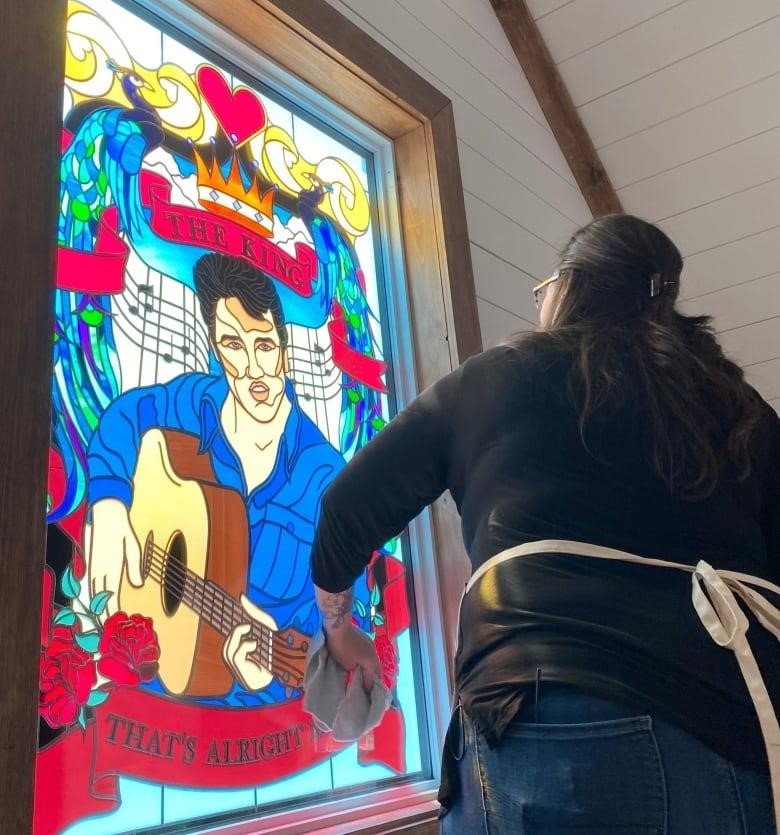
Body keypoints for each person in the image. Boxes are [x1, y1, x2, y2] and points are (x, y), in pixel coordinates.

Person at [310, 214, 780, 833]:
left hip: (550, 711)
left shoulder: (502, 376)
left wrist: (341, 629)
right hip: (740, 728)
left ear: (569, 286)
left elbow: (347, 507)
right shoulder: (736, 403)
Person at [87, 251, 344, 704]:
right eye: (232, 345)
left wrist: (269, 675)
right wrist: (108, 505)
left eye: (263, 345)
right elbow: (124, 416)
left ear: (284, 353)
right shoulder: (194, 402)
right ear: (214, 346)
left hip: (257, 712)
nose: (250, 369)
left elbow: (344, 625)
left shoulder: (325, 478)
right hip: (147, 685)